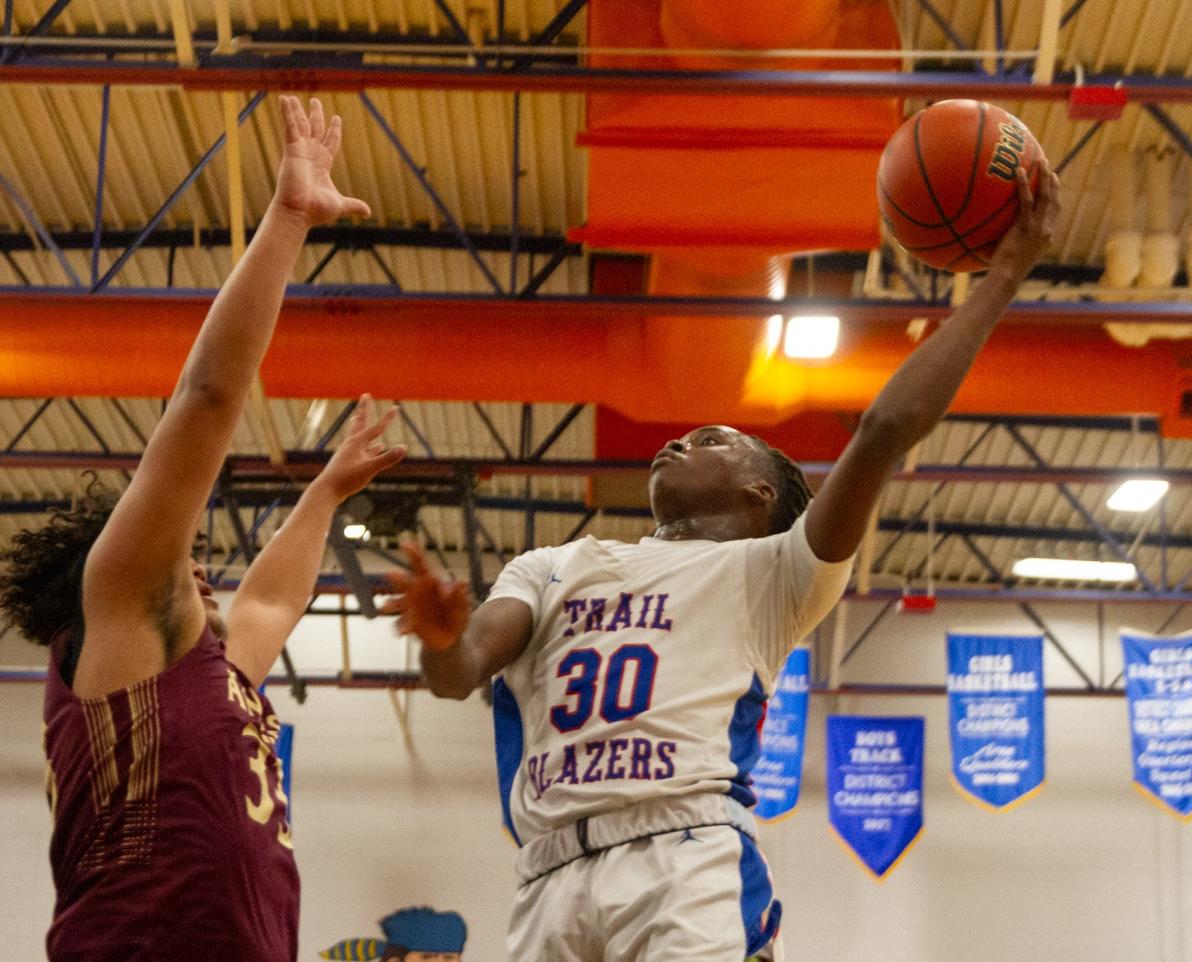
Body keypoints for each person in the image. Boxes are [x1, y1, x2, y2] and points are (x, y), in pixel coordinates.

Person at [383, 162, 1061, 961]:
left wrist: (1006, 271)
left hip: (684, 860)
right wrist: (436, 641)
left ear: (757, 495)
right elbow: (460, 673)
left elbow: (884, 426)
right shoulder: (553, 564)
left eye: (712, 439)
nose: (677, 440)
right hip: (547, 879)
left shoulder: (771, 577)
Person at [0, 97, 402, 961]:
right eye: (188, 563)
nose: (206, 575)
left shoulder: (202, 677)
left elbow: (272, 601)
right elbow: (207, 400)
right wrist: (289, 218)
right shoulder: (121, 608)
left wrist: (326, 493)